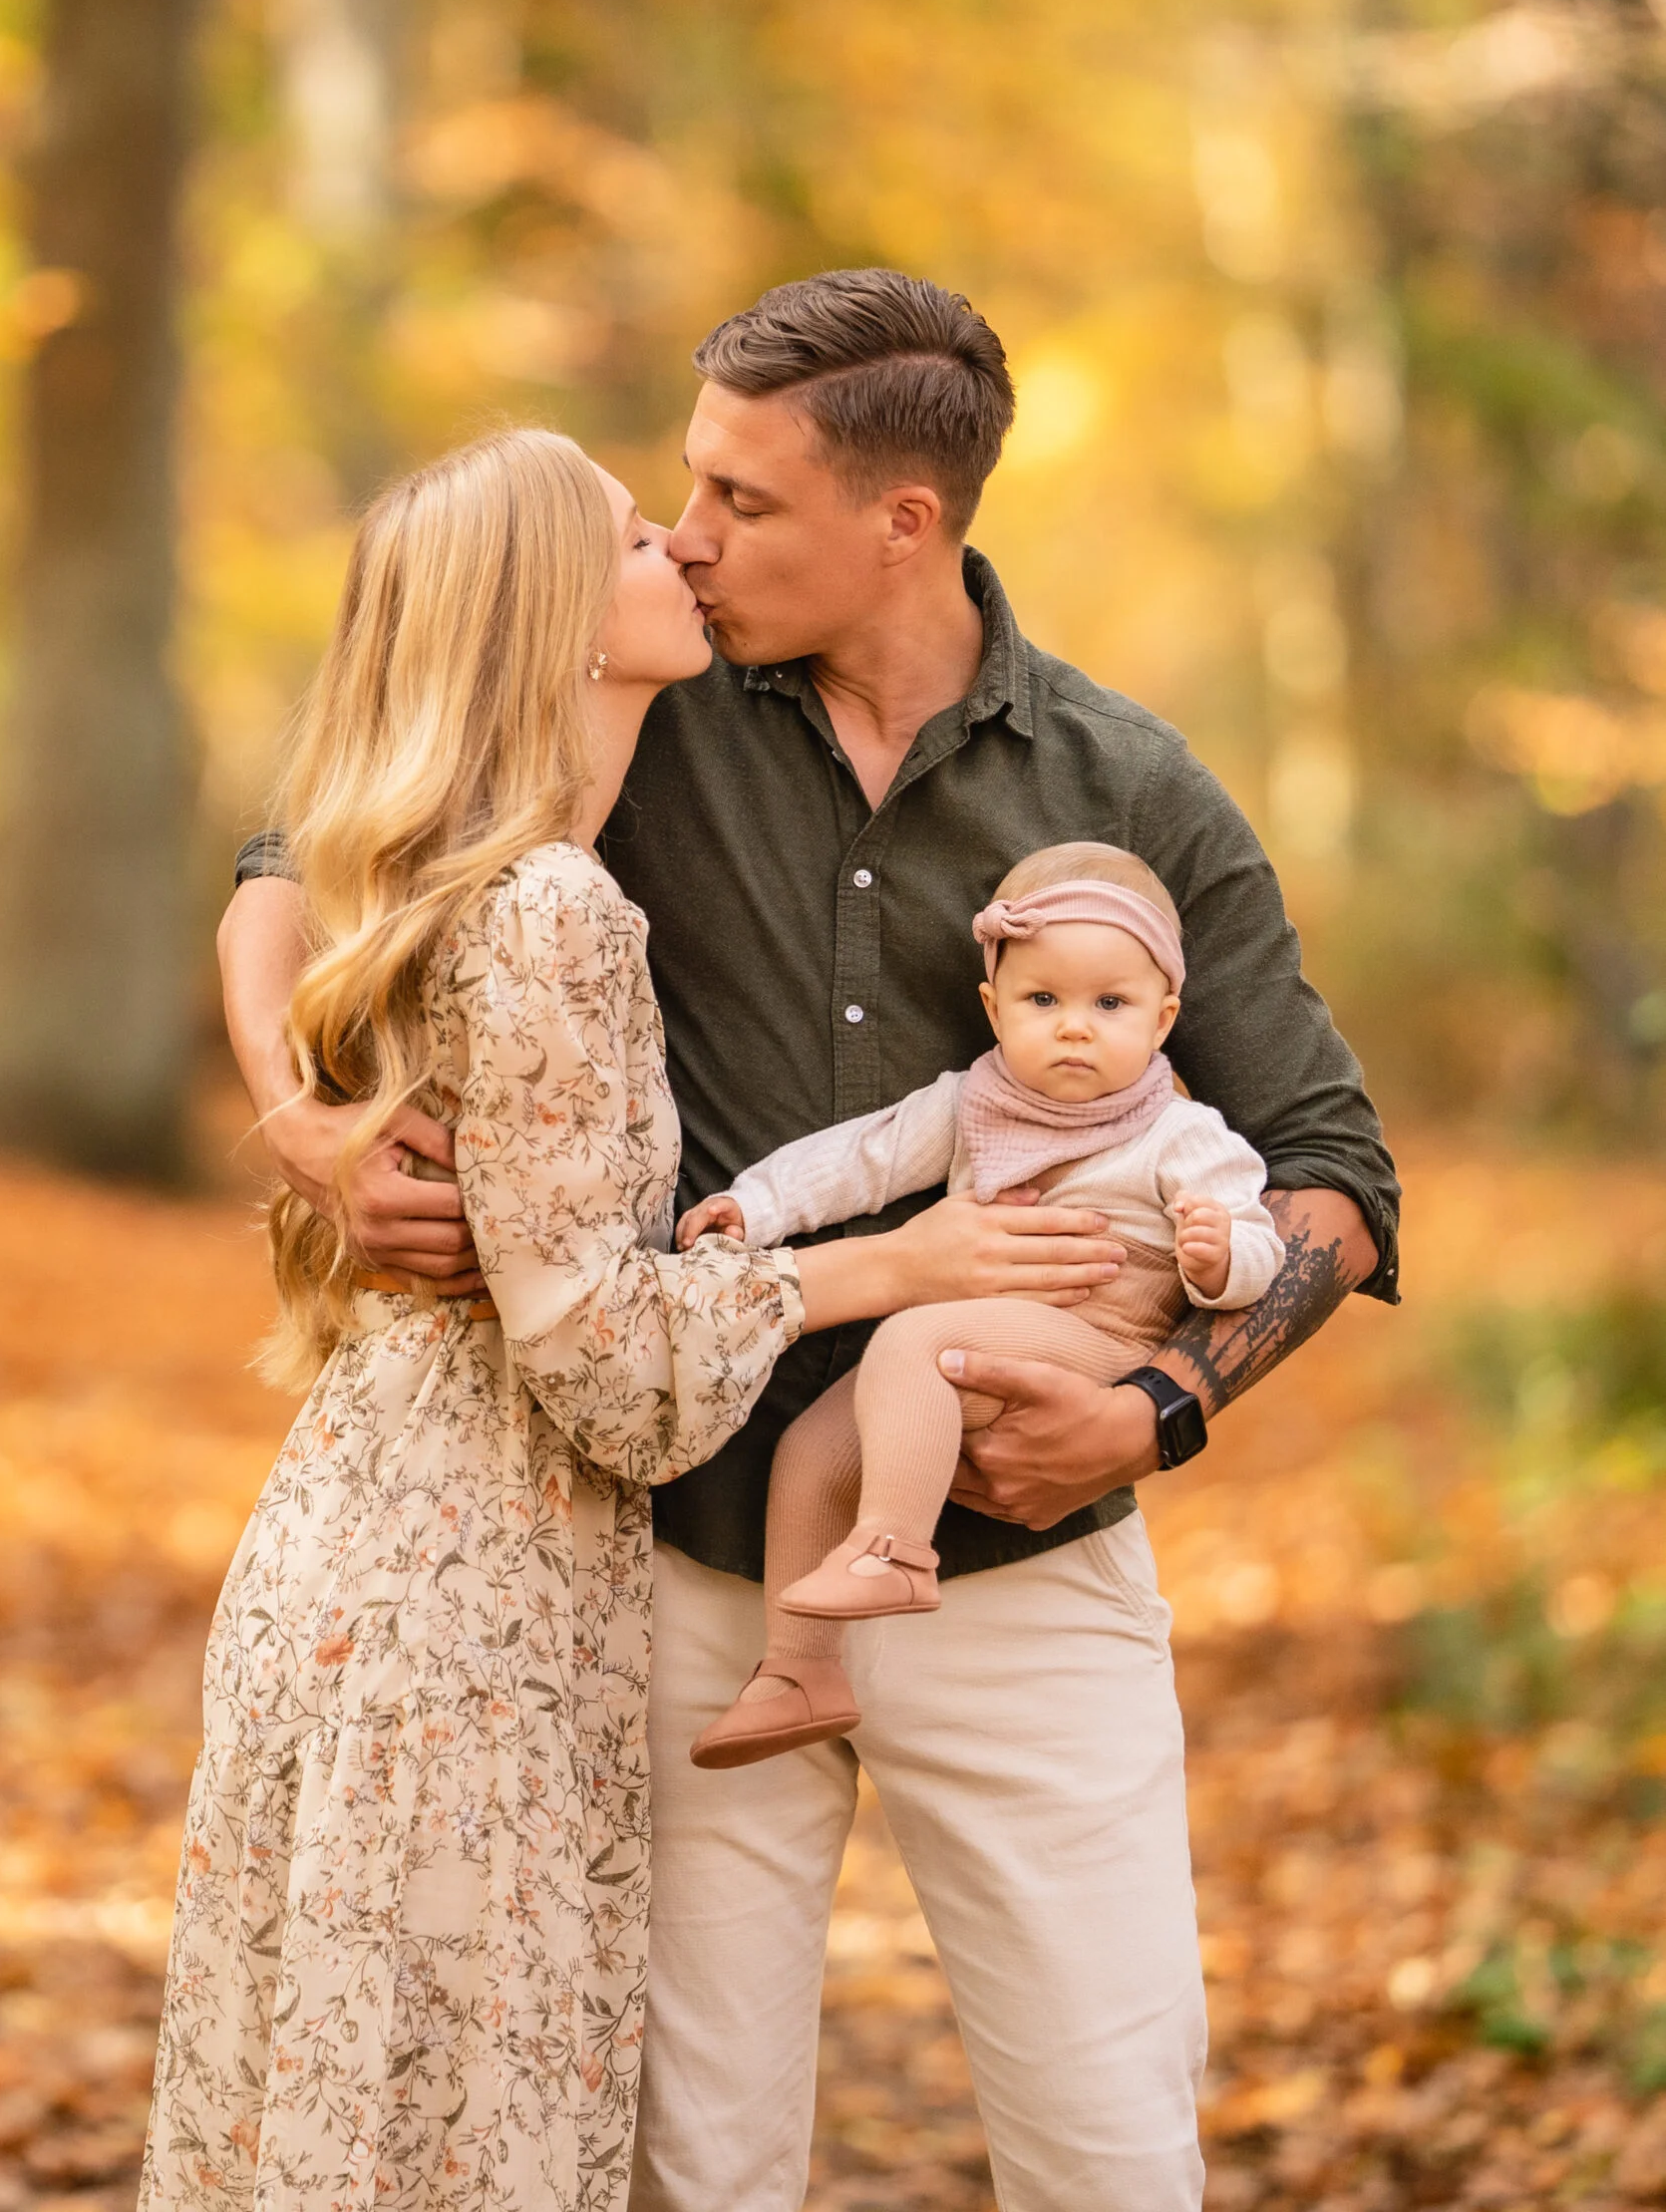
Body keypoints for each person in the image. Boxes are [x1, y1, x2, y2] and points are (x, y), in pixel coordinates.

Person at [221, 270, 1400, 2212]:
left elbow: (1332, 1169)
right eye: (683, 491)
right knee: (693, 2167)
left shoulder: (1124, 786)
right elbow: (300, 855)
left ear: (903, 521)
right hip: (679, 1574)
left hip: (1021, 1580)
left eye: (739, 500)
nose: (685, 534)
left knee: (1112, 2155)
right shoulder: (649, 704)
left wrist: (1161, 1404)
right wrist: (308, 1121)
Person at [141, 428, 1032, 2212]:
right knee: (451, 2139)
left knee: (348, 2120)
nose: (684, 554)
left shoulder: (476, 870)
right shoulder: (550, 908)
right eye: (640, 536)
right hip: (464, 1608)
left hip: (376, 1558)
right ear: (557, 619)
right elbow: (610, 1378)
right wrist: (894, 1264)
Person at [674, 840, 1284, 1766]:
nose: (1074, 1028)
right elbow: (860, 1159)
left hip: (1102, 1334)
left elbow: (1256, 1245)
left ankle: (895, 1550)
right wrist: (751, 1207)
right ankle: (798, 1674)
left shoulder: (1178, 1132)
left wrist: (1217, 1256)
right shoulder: (974, 1102)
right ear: (993, 1010)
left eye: (1108, 1005)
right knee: (813, 1448)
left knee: (918, 1339)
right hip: (972, 1332)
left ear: (1163, 1021)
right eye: (1043, 1001)